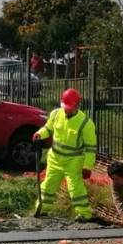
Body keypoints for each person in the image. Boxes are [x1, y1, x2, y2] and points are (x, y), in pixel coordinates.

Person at [32, 88, 97, 219]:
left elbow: (91, 148)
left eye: (69, 108)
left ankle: (84, 214)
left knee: (76, 189)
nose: (66, 110)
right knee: (48, 185)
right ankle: (42, 209)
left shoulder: (86, 123)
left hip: (73, 161)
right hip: (55, 158)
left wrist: (87, 167)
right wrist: (39, 134)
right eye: (65, 107)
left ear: (77, 106)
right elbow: (48, 129)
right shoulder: (56, 114)